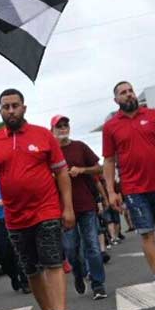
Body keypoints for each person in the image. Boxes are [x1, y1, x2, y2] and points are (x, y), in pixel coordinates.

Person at [0, 89, 78, 310]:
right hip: (14, 217)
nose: (11, 110)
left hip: (46, 210)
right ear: (0, 111)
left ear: (24, 108)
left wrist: (67, 208)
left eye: (15, 105)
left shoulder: (43, 135)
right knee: (31, 270)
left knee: (53, 262)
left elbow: (62, 173)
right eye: (6, 107)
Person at [102, 80, 155, 301]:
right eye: (123, 92)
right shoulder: (111, 127)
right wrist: (111, 191)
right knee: (146, 233)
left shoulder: (153, 115)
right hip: (134, 190)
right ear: (116, 100)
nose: (129, 94)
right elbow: (109, 161)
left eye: (130, 90)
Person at [51, 115, 108, 300]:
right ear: (52, 130)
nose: (63, 128)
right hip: (63, 208)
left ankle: (98, 284)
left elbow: (99, 168)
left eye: (65, 125)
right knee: (70, 249)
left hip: (85, 204)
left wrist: (82, 170)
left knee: (92, 245)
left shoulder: (80, 146)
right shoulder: (49, 152)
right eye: (59, 126)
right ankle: (78, 273)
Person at [0, 177, 29, 293]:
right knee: (5, 253)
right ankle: (13, 275)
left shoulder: (14, 180)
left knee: (19, 250)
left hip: (15, 218)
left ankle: (25, 281)